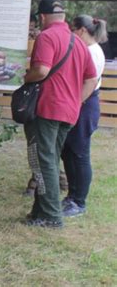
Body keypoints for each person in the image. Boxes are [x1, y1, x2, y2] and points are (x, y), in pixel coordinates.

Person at [24, 0, 98, 228]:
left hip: (47, 109)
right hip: (69, 112)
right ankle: (39, 211)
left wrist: (25, 78)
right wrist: (77, 102)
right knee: (49, 160)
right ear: (63, 17)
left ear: (43, 17)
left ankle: (51, 216)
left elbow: (42, 70)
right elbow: (92, 78)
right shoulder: (78, 42)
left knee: (41, 160)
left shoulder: (46, 36)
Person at [61, 15, 106, 217]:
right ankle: (71, 195)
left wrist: (74, 105)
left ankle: (79, 201)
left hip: (85, 105)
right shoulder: (87, 49)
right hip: (79, 103)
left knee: (80, 153)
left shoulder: (93, 52)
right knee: (68, 150)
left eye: (72, 30)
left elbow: (89, 82)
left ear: (81, 31)